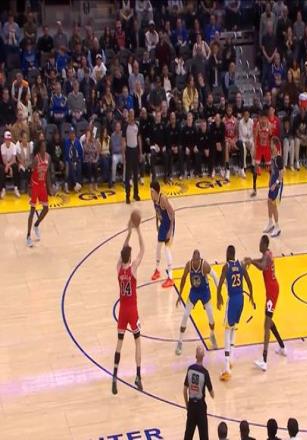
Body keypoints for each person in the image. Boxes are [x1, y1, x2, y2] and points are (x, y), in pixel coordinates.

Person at [112, 218, 145, 395]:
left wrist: (128, 233)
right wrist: (137, 230)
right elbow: (143, 250)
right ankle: (138, 376)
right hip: (132, 310)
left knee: (119, 343)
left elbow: (122, 251)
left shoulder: (119, 268)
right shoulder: (133, 269)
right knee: (137, 342)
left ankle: (115, 375)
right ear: (130, 258)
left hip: (122, 311)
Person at [244, 235, 286, 371]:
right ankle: (282, 347)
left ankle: (264, 359)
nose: (259, 245)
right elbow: (261, 261)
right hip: (272, 290)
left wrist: (251, 261)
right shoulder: (267, 254)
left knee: (266, 325)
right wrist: (251, 260)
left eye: (260, 243)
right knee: (269, 320)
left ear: (264, 244)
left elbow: (262, 266)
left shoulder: (267, 256)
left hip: (272, 292)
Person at [217, 245, 254, 381]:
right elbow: (249, 283)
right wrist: (252, 296)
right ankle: (231, 358)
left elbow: (220, 284)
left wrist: (218, 297)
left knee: (227, 331)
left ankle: (227, 368)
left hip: (232, 300)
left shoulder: (226, 267)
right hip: (241, 300)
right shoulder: (241, 265)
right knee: (233, 328)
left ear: (228, 253)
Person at [176, 250, 219, 355]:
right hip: (194, 292)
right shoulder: (189, 265)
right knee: (185, 315)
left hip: (204, 292)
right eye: (194, 260)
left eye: (197, 260)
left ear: (199, 260)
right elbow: (183, 279)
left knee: (211, 317)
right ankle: (180, 342)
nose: (195, 262)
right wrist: (180, 295)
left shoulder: (204, 265)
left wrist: (219, 293)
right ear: (192, 259)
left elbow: (214, 276)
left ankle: (212, 335)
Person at [183, 345, 214, 440]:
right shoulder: (205, 372)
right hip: (201, 408)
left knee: (188, 436)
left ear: (195, 356)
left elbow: (184, 390)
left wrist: (187, 405)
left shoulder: (190, 369)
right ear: (203, 356)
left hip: (191, 406)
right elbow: (212, 394)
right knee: (204, 437)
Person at [150, 180, 175, 288]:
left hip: (169, 224)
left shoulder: (163, 199)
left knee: (167, 249)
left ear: (156, 191)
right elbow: (157, 212)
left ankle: (170, 277)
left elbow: (172, 213)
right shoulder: (154, 199)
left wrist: (170, 230)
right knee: (158, 247)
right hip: (163, 224)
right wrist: (157, 224)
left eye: (151, 191)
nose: (150, 193)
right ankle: (157, 270)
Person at [26, 141, 51, 247]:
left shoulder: (48, 157)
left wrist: (49, 188)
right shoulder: (36, 159)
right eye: (43, 146)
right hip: (35, 185)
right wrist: (29, 187)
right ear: (39, 148)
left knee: (46, 209)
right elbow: (30, 172)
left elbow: (47, 173)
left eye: (45, 146)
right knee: (32, 210)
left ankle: (36, 225)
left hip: (42, 185)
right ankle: (28, 236)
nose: (44, 148)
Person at [263, 137, 284, 237]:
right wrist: (270, 180)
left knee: (274, 204)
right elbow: (272, 171)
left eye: (271, 144)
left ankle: (277, 227)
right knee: (269, 201)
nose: (270, 145)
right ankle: (270, 223)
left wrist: (275, 184)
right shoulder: (272, 156)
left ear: (275, 145)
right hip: (272, 183)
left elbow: (282, 173)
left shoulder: (279, 158)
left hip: (278, 184)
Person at [124, 109, 142, 204]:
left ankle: (136, 194)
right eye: (130, 114)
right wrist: (123, 154)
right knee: (128, 175)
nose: (132, 116)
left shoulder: (137, 125)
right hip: (129, 151)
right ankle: (127, 195)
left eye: (133, 114)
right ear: (128, 115)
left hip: (135, 150)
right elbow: (123, 140)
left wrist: (140, 152)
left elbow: (139, 139)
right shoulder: (125, 126)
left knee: (136, 174)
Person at [1, 131, 21, 197]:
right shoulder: (2, 146)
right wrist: (8, 166)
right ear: (4, 139)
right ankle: (3, 189)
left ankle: (16, 188)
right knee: (1, 168)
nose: (8, 140)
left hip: (11, 163)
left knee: (15, 166)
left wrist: (9, 166)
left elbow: (14, 159)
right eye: (6, 139)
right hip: (5, 163)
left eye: (9, 139)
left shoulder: (14, 146)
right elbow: (4, 160)